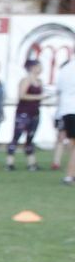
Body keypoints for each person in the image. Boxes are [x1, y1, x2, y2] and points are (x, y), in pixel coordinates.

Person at [5, 58, 43, 171]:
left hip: (35, 112)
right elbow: (21, 95)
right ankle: (9, 162)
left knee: (30, 137)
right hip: (24, 112)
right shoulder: (25, 80)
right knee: (17, 136)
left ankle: (31, 163)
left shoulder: (39, 81)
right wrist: (38, 97)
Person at [57, 58, 75, 186]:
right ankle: (69, 175)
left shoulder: (65, 68)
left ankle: (71, 174)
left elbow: (59, 89)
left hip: (66, 109)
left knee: (72, 144)